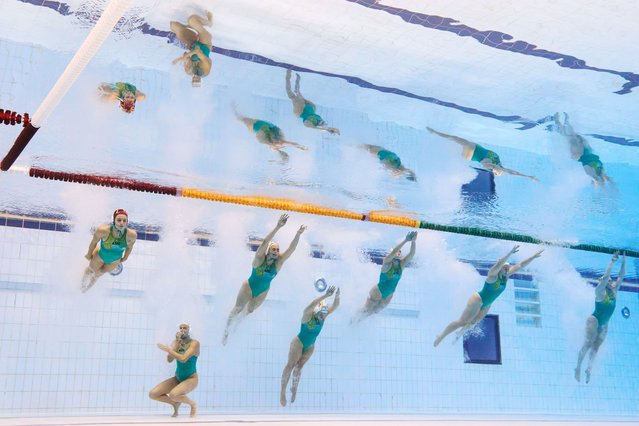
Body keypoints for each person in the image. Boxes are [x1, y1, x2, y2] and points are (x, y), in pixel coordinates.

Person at [433, 245, 544, 346]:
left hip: (487, 304)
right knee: (462, 322)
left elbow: (520, 265)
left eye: (507, 268)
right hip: (478, 299)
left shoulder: (506, 276)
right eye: (505, 268)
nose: (507, 269)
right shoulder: (492, 276)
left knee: (474, 322)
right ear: (500, 268)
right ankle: (441, 336)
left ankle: (459, 334)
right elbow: (498, 264)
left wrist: (533, 257)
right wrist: (509, 254)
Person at [223, 214, 306, 345]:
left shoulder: (278, 263)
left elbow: (291, 249)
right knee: (238, 309)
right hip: (249, 287)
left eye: (278, 250)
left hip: (263, 291)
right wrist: (278, 226)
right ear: (268, 251)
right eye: (273, 249)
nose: (276, 252)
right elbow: (264, 242)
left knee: (249, 311)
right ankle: (226, 332)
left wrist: (298, 234)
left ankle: (236, 325)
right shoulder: (259, 259)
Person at [280, 285, 340, 406]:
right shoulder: (308, 314)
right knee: (290, 365)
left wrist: (337, 296)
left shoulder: (323, 316)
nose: (323, 316)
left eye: (324, 313)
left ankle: (294, 388)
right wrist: (325, 296)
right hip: (299, 342)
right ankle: (282, 392)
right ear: (316, 311)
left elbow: (335, 306)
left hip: (310, 345)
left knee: (299, 367)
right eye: (321, 313)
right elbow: (312, 304)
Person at [575, 252, 626, 383]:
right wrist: (612, 261)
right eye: (607, 279)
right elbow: (607, 275)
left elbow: (621, 276)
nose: (610, 280)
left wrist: (624, 260)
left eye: (610, 280)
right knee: (588, 343)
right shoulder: (599, 291)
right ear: (602, 281)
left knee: (596, 347)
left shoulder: (614, 291)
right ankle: (578, 367)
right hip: (594, 320)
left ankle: (589, 370)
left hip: (605, 322)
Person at [427, 127, 539, 181]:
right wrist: (528, 176)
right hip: (471, 152)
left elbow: (492, 167)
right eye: (497, 173)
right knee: (451, 144)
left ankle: (434, 134)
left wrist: (494, 168)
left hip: (473, 151)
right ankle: (434, 135)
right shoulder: (499, 164)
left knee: (453, 140)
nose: (495, 173)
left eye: (496, 173)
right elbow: (513, 172)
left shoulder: (490, 165)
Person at [354, 231, 417, 321]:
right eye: (396, 252)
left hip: (389, 295)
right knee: (365, 310)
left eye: (399, 252)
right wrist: (405, 241)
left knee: (373, 312)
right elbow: (394, 252)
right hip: (378, 291)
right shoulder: (387, 263)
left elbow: (411, 254)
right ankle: (352, 320)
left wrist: (414, 241)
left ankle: (356, 325)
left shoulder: (401, 265)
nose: (397, 253)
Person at [149, 324, 200, 417]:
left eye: (185, 328)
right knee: (153, 394)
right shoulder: (177, 343)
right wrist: (175, 345)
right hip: (178, 378)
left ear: (189, 330)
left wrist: (168, 349)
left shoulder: (194, 343)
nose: (182, 330)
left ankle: (192, 404)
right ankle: (175, 404)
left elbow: (183, 359)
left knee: (173, 394)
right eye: (180, 328)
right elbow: (169, 360)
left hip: (191, 379)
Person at [81, 209, 137, 292]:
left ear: (127, 222)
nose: (121, 222)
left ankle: (86, 290)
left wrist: (126, 257)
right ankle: (82, 284)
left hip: (114, 261)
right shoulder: (103, 231)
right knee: (90, 270)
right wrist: (89, 253)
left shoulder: (131, 235)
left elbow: (130, 247)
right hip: (100, 255)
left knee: (98, 274)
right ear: (114, 220)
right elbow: (93, 243)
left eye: (124, 220)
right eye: (119, 220)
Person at [551, 112, 611, 184]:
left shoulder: (594, 173)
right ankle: (561, 121)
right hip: (583, 153)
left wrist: (597, 180)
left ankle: (561, 121)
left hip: (580, 154)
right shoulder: (600, 171)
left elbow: (586, 165)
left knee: (570, 137)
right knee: (570, 136)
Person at [234, 107, 307, 163]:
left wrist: (278, 160)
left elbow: (288, 144)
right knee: (244, 120)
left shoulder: (275, 145)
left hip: (263, 127)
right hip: (263, 127)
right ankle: (237, 113)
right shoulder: (278, 143)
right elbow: (291, 143)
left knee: (244, 120)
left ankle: (237, 113)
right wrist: (300, 147)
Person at [285, 70, 339, 135]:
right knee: (295, 93)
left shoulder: (309, 123)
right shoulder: (317, 120)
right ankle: (292, 77)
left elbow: (316, 128)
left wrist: (327, 129)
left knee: (292, 93)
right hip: (307, 108)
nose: (322, 122)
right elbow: (323, 127)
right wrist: (329, 129)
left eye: (321, 123)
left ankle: (290, 75)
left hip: (302, 110)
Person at [171, 11, 213, 87]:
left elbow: (186, 54)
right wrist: (182, 58)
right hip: (205, 43)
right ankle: (209, 22)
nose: (195, 79)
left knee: (173, 25)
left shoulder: (189, 71)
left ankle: (191, 28)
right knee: (192, 20)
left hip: (193, 43)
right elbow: (198, 52)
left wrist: (186, 59)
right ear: (200, 80)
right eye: (197, 81)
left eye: (194, 80)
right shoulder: (205, 70)